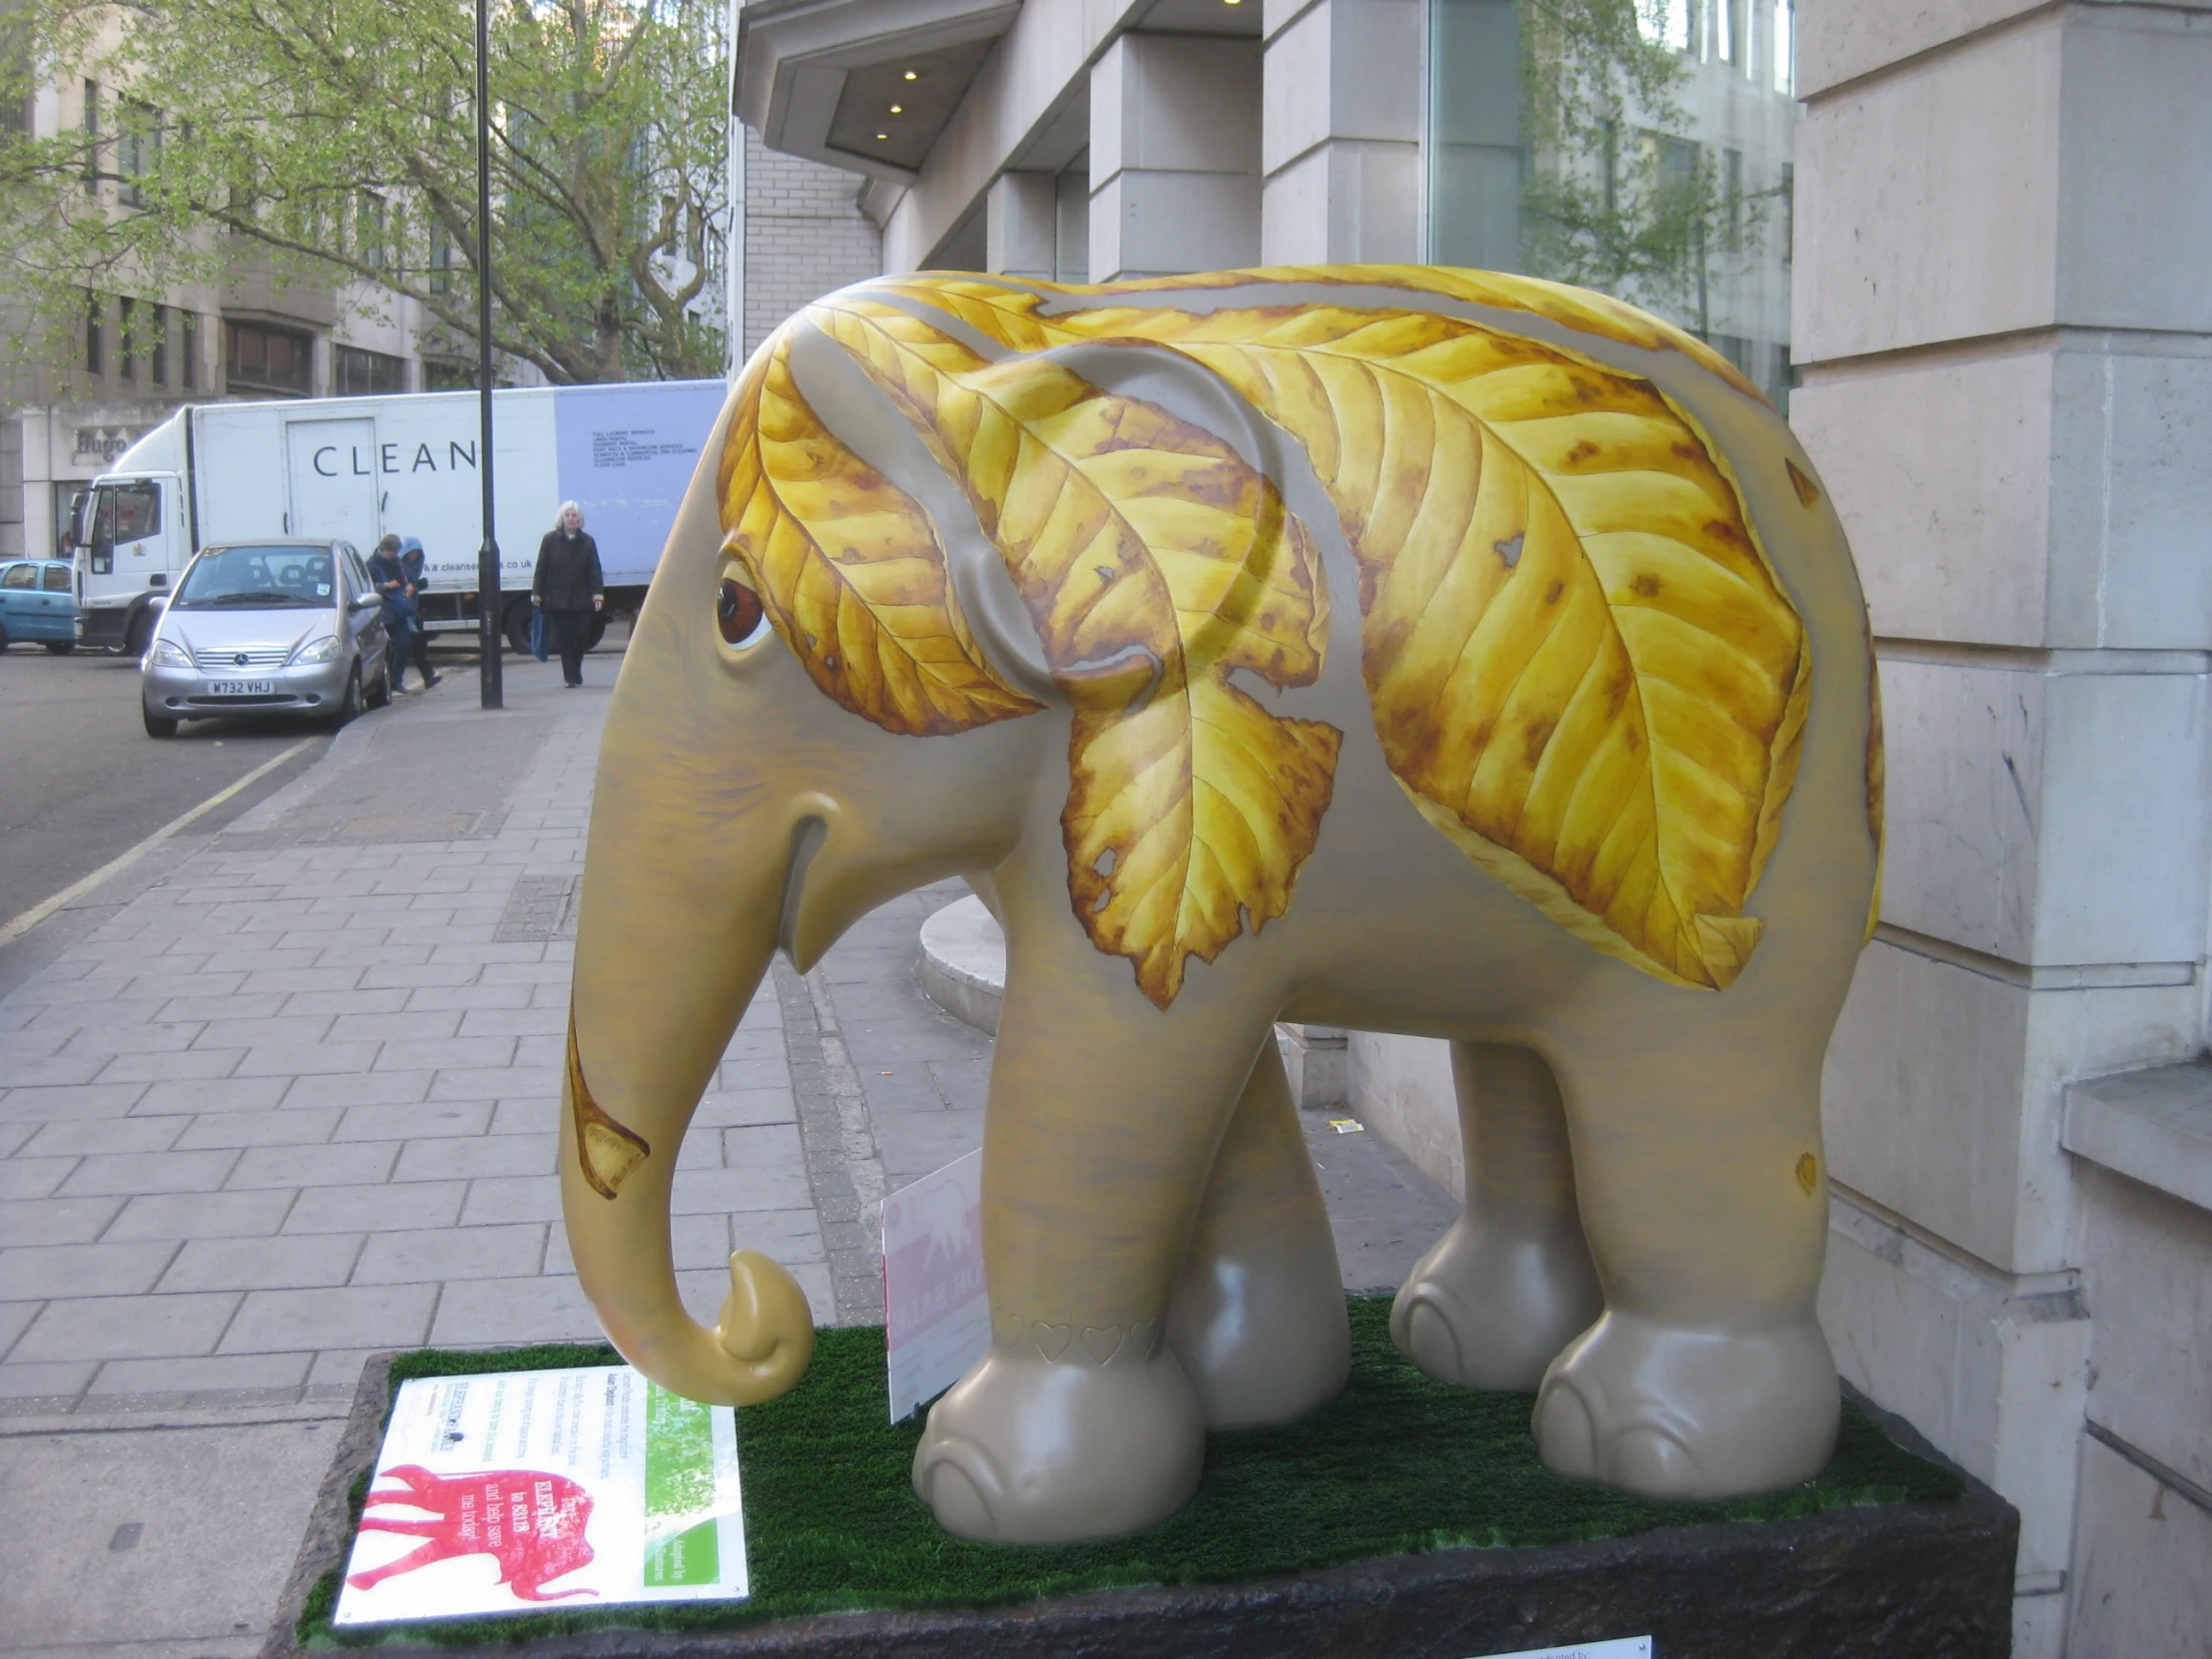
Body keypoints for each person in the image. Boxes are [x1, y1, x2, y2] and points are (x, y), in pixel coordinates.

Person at [532, 501, 604, 688]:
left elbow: (594, 569)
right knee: (564, 638)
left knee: (582, 636)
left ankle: (576, 669)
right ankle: (569, 676)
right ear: (561, 519)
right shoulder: (549, 540)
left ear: (580, 519)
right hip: (558, 599)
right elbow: (542, 567)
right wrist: (537, 592)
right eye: (568, 515)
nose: (571, 519)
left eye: (574, 516)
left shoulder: (587, 541)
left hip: (582, 598)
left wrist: (598, 594)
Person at [364, 533, 419, 694]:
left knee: (403, 644)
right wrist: (385, 586)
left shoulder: (397, 563)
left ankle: (397, 680)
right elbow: (368, 587)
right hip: (382, 611)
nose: (394, 555)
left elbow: (404, 580)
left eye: (396, 552)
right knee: (383, 649)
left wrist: (408, 587)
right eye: (392, 552)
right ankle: (384, 682)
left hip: (398, 610)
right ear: (384, 549)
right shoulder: (372, 565)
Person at [396, 537, 441, 688]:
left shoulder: (412, 570)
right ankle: (426, 677)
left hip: (410, 613)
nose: (415, 556)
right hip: (403, 614)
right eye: (412, 552)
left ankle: (399, 680)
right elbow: (401, 591)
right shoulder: (402, 569)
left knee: (411, 648)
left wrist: (418, 586)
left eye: (417, 553)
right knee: (416, 646)